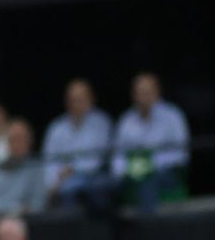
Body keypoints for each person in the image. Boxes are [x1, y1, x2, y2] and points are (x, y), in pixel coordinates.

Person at [110, 74, 190, 212]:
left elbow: (181, 154)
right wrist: (124, 170)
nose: (143, 98)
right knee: (106, 185)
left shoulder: (173, 116)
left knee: (147, 182)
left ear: (157, 92)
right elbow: (118, 155)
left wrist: (150, 164)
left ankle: (147, 228)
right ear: (133, 95)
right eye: (139, 93)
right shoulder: (126, 120)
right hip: (132, 172)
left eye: (147, 92)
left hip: (166, 172)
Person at [43, 82, 114, 213]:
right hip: (64, 181)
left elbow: (95, 161)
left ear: (91, 100)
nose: (77, 104)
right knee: (65, 190)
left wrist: (71, 171)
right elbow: (49, 162)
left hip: (95, 176)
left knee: (98, 186)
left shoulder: (101, 122)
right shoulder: (56, 128)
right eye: (73, 100)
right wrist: (53, 185)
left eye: (81, 99)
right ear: (67, 102)